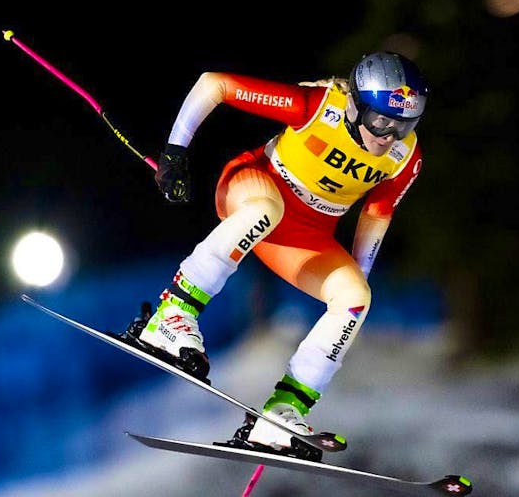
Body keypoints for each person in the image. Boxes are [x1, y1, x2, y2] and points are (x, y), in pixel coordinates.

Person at [123, 51, 427, 457]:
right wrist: (175, 153)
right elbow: (215, 84)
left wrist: (356, 274)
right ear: (356, 104)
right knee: (267, 210)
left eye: (403, 125)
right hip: (255, 188)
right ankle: (172, 316)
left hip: (304, 235)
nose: (388, 136)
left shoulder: (404, 157)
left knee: (355, 299)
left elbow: (377, 214)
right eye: (379, 121)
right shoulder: (320, 109)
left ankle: (281, 414)